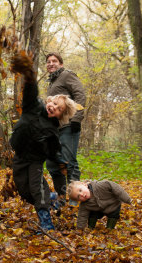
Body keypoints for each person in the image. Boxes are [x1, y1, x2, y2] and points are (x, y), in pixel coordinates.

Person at [9, 53, 77, 232]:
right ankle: (52, 197)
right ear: (49, 101)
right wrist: (29, 74)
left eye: (58, 109)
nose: (54, 107)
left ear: (60, 115)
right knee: (24, 190)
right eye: (54, 103)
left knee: (37, 189)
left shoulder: (52, 129)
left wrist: (60, 160)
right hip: (20, 156)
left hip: (35, 161)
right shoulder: (34, 107)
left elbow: (53, 150)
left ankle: (46, 223)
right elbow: (31, 91)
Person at [45, 52, 86, 205]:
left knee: (70, 162)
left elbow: (80, 94)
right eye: (48, 61)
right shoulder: (53, 81)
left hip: (69, 125)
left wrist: (77, 118)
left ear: (61, 64)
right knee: (52, 163)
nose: (51, 63)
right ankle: (62, 198)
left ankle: (75, 199)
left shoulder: (67, 75)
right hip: (54, 129)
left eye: (54, 61)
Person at [67, 180, 132, 230]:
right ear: (79, 201)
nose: (81, 194)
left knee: (113, 216)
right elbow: (82, 216)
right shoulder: (84, 205)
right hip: (99, 210)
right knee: (92, 214)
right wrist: (80, 229)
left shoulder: (100, 186)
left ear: (85, 185)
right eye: (78, 196)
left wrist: (127, 199)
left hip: (113, 205)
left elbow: (116, 188)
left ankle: (110, 228)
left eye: (80, 190)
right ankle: (91, 227)